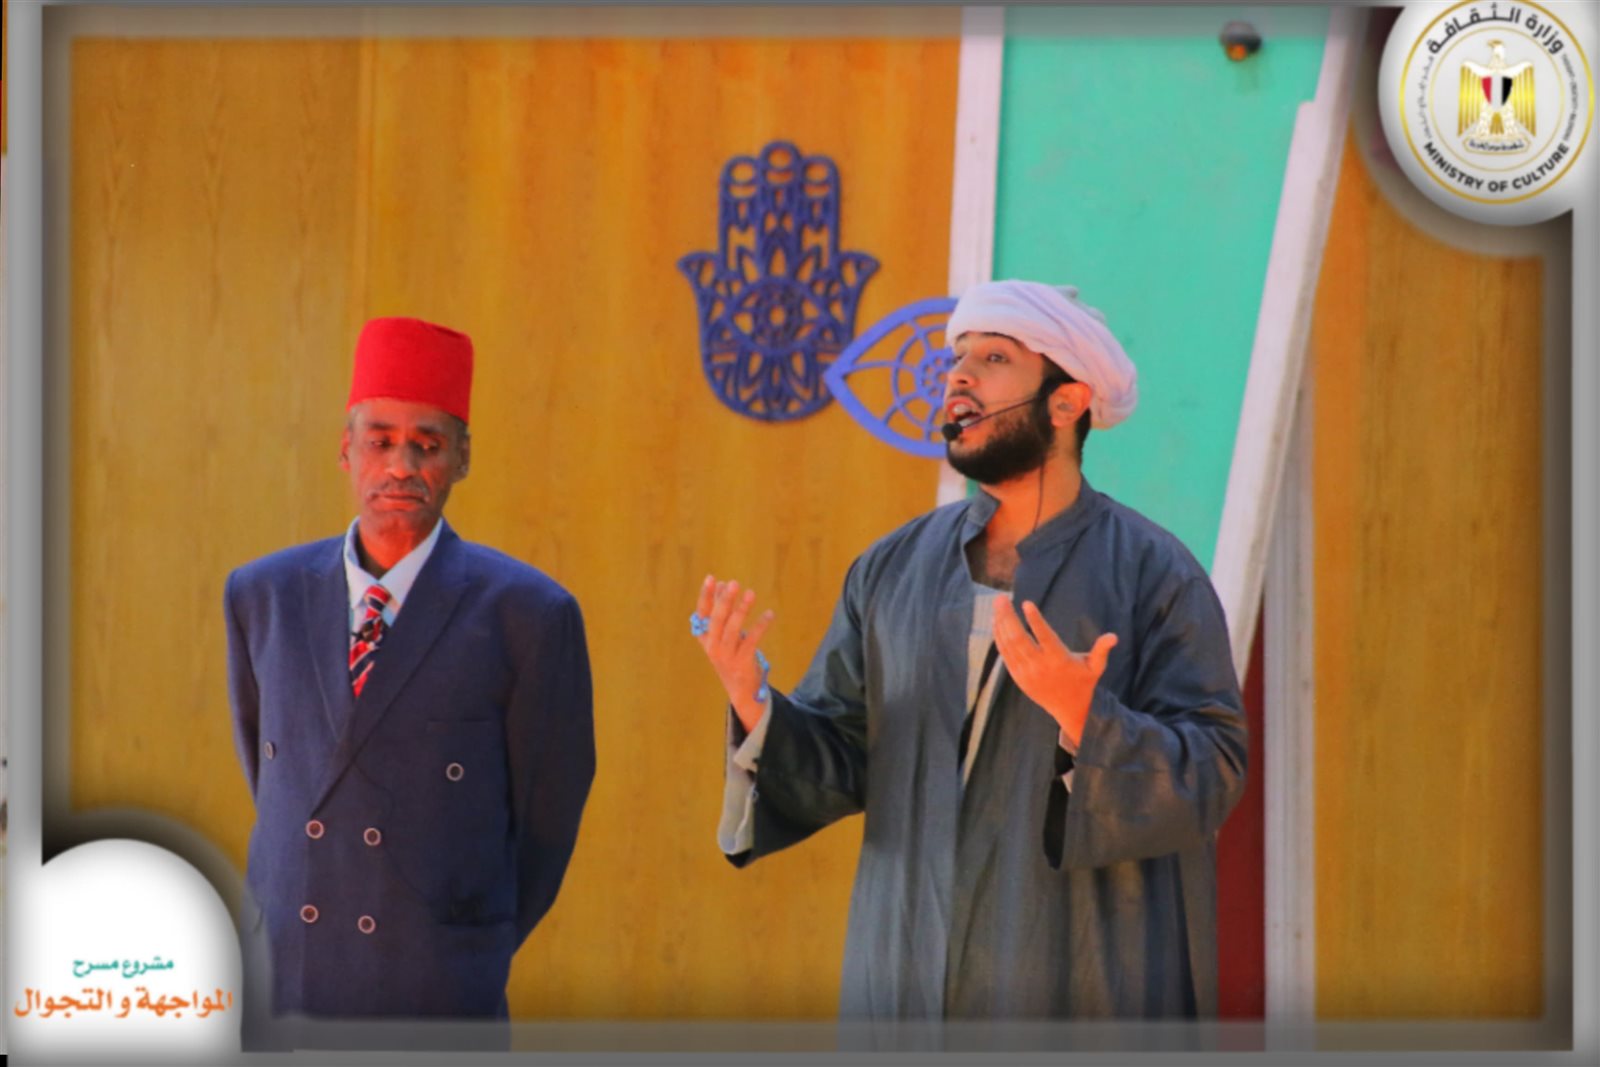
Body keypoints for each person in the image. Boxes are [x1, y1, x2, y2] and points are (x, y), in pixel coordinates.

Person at [692, 280, 1247, 1030]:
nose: (958, 377)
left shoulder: (1156, 574)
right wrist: (755, 703)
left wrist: (1086, 718)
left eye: (993, 358)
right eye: (957, 358)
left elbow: (1214, 768)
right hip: (907, 971)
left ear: (1067, 402)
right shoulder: (891, 568)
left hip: (1077, 977)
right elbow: (842, 754)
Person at [224, 316, 595, 1026]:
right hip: (285, 984)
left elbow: (546, 823)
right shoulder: (261, 594)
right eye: (380, 440)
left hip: (437, 994)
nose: (400, 466)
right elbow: (280, 778)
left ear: (462, 458)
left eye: (427, 445)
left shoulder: (529, 614)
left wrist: (460, 942)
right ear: (346, 448)